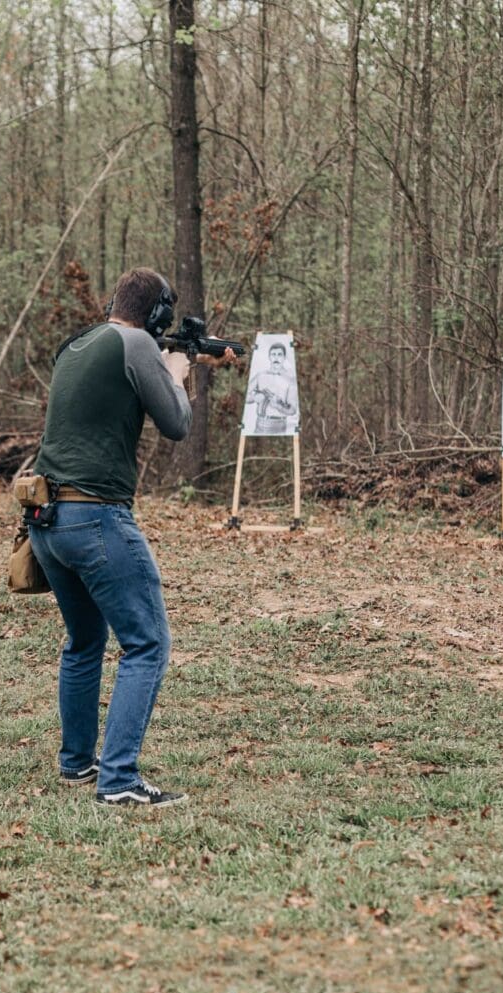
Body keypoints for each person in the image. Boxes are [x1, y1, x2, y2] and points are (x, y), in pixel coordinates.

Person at [28, 268, 233, 808]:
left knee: (85, 642)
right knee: (147, 644)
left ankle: (77, 764)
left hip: (47, 520)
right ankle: (117, 780)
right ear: (160, 313)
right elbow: (177, 424)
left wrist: (182, 359)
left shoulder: (79, 344)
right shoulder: (139, 342)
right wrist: (179, 371)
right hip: (97, 519)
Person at [246, 341, 298, 435]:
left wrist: (278, 406)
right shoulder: (261, 375)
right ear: (269, 357)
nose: (276, 358)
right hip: (261, 423)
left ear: (284, 357)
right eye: (273, 354)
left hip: (280, 424)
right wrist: (254, 398)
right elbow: (244, 395)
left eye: (279, 354)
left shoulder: (290, 380)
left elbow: (293, 410)